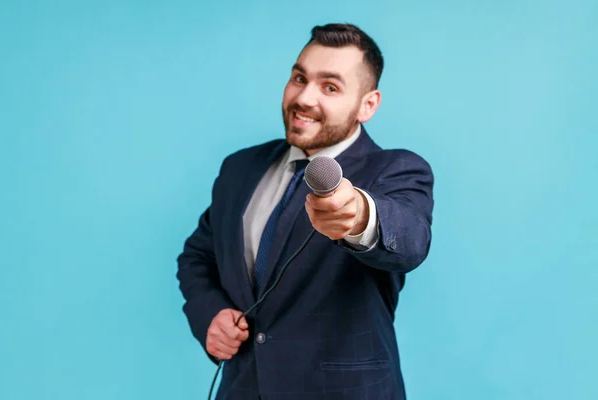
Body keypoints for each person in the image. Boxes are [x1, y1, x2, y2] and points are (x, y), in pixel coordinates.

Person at [176, 23, 434, 400]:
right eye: (300, 78)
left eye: (330, 87)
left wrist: (360, 216)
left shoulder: (396, 170)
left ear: (368, 104)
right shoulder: (240, 168)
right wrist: (209, 314)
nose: (305, 98)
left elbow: (410, 239)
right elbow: (198, 256)